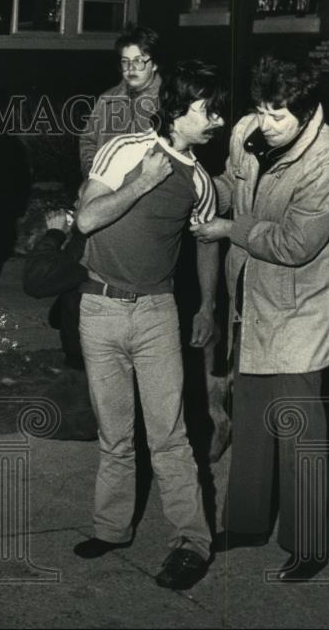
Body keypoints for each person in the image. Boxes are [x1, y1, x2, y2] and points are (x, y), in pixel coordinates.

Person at [192, 55, 329, 582]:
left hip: (304, 303)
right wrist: (196, 193)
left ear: (307, 113)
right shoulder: (247, 131)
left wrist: (226, 230)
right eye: (261, 110)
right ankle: (246, 523)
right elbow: (229, 184)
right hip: (254, 295)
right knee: (253, 408)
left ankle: (308, 544)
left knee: (299, 425)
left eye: (279, 115)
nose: (266, 123)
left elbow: (293, 244)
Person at [71, 60, 225, 591]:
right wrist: (140, 183)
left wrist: (206, 306)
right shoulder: (124, 151)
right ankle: (112, 528)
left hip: (158, 314)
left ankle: (192, 542)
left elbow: (207, 242)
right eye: (209, 109)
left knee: (170, 437)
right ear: (178, 109)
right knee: (115, 435)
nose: (218, 121)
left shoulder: (201, 180)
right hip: (100, 308)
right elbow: (86, 219)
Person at [21, 205, 97, 441]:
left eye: (79, 200)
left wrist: (55, 233)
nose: (75, 206)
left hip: (92, 361)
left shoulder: (93, 236)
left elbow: (37, 280)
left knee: (42, 421)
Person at [77, 25, 163, 177]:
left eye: (139, 61)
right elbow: (88, 141)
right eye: (125, 61)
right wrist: (93, 176)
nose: (131, 68)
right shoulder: (107, 100)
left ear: (155, 64)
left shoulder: (168, 102)